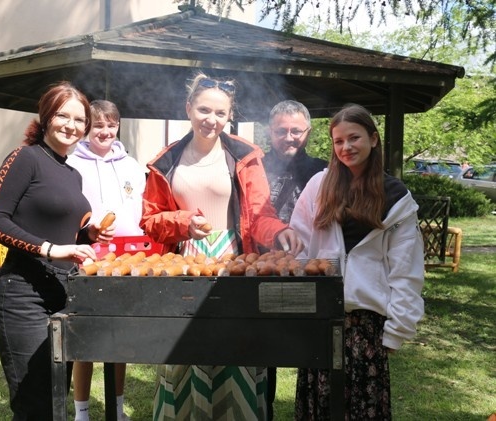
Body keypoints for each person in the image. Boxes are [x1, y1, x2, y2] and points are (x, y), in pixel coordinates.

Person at [140, 72, 302, 420]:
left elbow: (261, 214)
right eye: (203, 110)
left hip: (235, 262)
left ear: (230, 116)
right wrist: (183, 224)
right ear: (188, 108)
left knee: (237, 351)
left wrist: (278, 233)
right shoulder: (165, 161)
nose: (210, 120)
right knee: (184, 351)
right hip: (184, 263)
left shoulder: (245, 156)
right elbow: (150, 219)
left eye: (220, 113)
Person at [0, 81, 115, 420]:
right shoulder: (25, 158)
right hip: (21, 295)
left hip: (61, 292)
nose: (71, 126)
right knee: (36, 403)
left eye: (79, 119)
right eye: (62, 116)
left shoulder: (72, 174)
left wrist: (88, 234)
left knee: (57, 397)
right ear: (45, 117)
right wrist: (49, 248)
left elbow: (63, 232)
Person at [290, 104, 425, 420]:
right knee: (319, 407)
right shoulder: (318, 186)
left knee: (361, 411)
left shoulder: (395, 196)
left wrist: (398, 329)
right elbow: (300, 250)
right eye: (338, 141)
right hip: (321, 318)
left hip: (366, 327)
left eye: (354, 138)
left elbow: (406, 270)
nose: (346, 147)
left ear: (374, 139)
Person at [67, 99, 144, 421]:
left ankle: (117, 407)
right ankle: (82, 411)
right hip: (86, 257)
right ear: (87, 128)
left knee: (119, 336)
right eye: (98, 125)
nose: (105, 131)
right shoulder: (72, 163)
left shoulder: (132, 166)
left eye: (111, 125)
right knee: (86, 336)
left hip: (127, 257)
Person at [261, 100, 327, 420]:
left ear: (308, 132)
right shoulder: (253, 168)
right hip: (263, 270)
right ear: (270, 132)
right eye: (281, 131)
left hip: (310, 270)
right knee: (263, 351)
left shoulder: (324, 170)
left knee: (314, 349)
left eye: (296, 131)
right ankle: (264, 411)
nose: (289, 137)